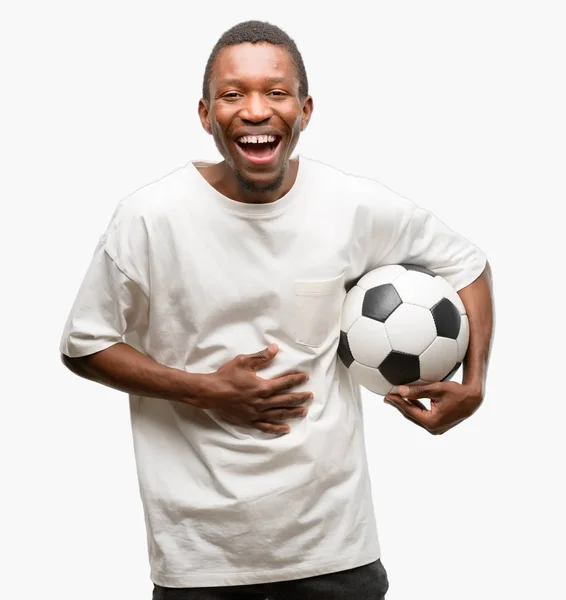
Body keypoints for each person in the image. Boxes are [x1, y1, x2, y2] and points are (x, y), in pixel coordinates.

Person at [59, 19, 494, 600]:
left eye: (276, 92)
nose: (256, 110)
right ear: (205, 113)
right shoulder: (149, 217)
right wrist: (204, 389)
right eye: (233, 95)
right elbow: (83, 343)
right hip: (201, 559)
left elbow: (467, 264)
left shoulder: (351, 204)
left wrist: (475, 381)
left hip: (336, 551)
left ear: (306, 110)